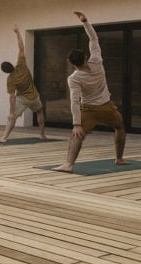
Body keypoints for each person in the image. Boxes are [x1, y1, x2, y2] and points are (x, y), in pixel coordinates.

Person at [53, 12, 129, 173]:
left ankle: (69, 165)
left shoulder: (74, 78)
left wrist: (76, 124)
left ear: (70, 63)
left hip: (88, 110)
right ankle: (119, 158)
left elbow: (74, 101)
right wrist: (85, 21)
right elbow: (94, 39)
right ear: (86, 57)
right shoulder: (97, 62)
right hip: (107, 107)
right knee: (120, 127)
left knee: (78, 135)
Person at [0, 24, 46, 142]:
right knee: (39, 112)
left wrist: (11, 112)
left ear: (5, 72)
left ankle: (4, 137)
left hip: (22, 98)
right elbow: (21, 48)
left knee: (12, 119)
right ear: (12, 65)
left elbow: (12, 97)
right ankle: (42, 134)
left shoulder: (10, 79)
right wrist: (18, 33)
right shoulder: (21, 65)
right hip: (34, 96)